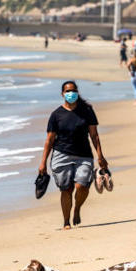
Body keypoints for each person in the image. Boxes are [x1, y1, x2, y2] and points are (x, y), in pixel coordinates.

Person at [38, 81, 108, 229]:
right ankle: (66, 221)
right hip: (61, 155)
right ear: (62, 94)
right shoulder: (56, 115)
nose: (71, 93)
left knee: (81, 186)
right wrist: (43, 163)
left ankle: (77, 209)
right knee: (66, 189)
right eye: (68, 91)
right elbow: (49, 140)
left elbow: (94, 136)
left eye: (73, 90)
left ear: (77, 92)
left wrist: (100, 156)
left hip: (83, 155)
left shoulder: (87, 111)